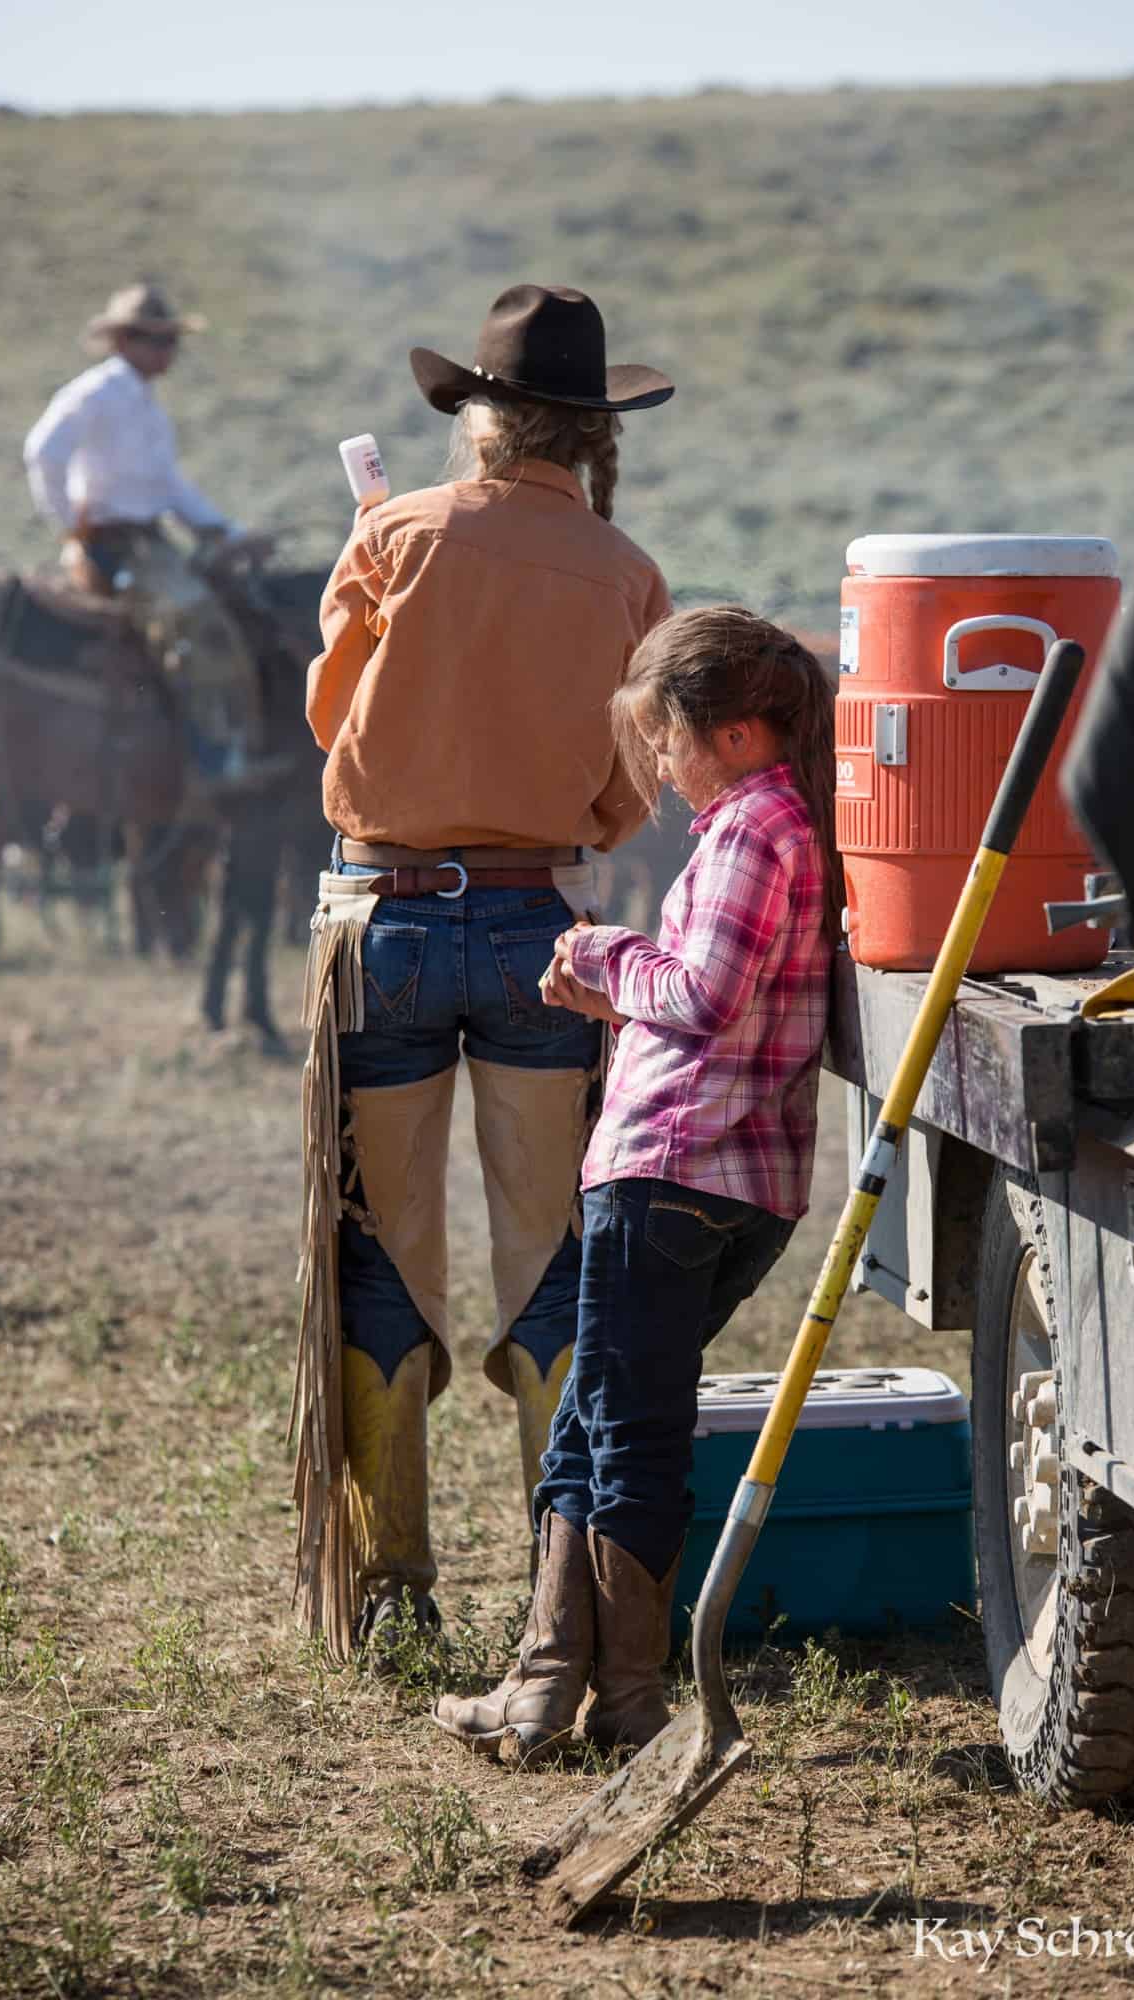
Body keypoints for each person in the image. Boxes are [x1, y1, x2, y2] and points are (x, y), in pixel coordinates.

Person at [293, 283, 674, 1663]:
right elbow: (638, 779)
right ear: (587, 434)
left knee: (381, 1246)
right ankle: (555, 1587)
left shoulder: (392, 535)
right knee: (553, 1259)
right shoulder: (625, 573)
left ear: (478, 421)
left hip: (384, 926)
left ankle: (394, 1586)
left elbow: (328, 724)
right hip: (542, 938)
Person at [434, 606, 839, 1763]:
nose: (657, 762)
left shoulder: (752, 829)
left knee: (626, 1423)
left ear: (737, 730)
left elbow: (703, 996)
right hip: (726, 1174)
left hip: (672, 1167)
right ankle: (541, 1682)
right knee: (596, 1407)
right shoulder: (777, 821)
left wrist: (601, 952)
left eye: (665, 736)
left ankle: (623, 1698)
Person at [23, 282, 268, 782]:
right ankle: (215, 757)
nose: (167, 351)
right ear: (124, 341)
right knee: (192, 617)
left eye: (169, 340)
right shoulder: (97, 393)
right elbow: (42, 452)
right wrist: (72, 528)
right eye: (155, 340)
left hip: (147, 542)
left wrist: (224, 530)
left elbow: (168, 485)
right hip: (113, 545)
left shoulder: (142, 403)